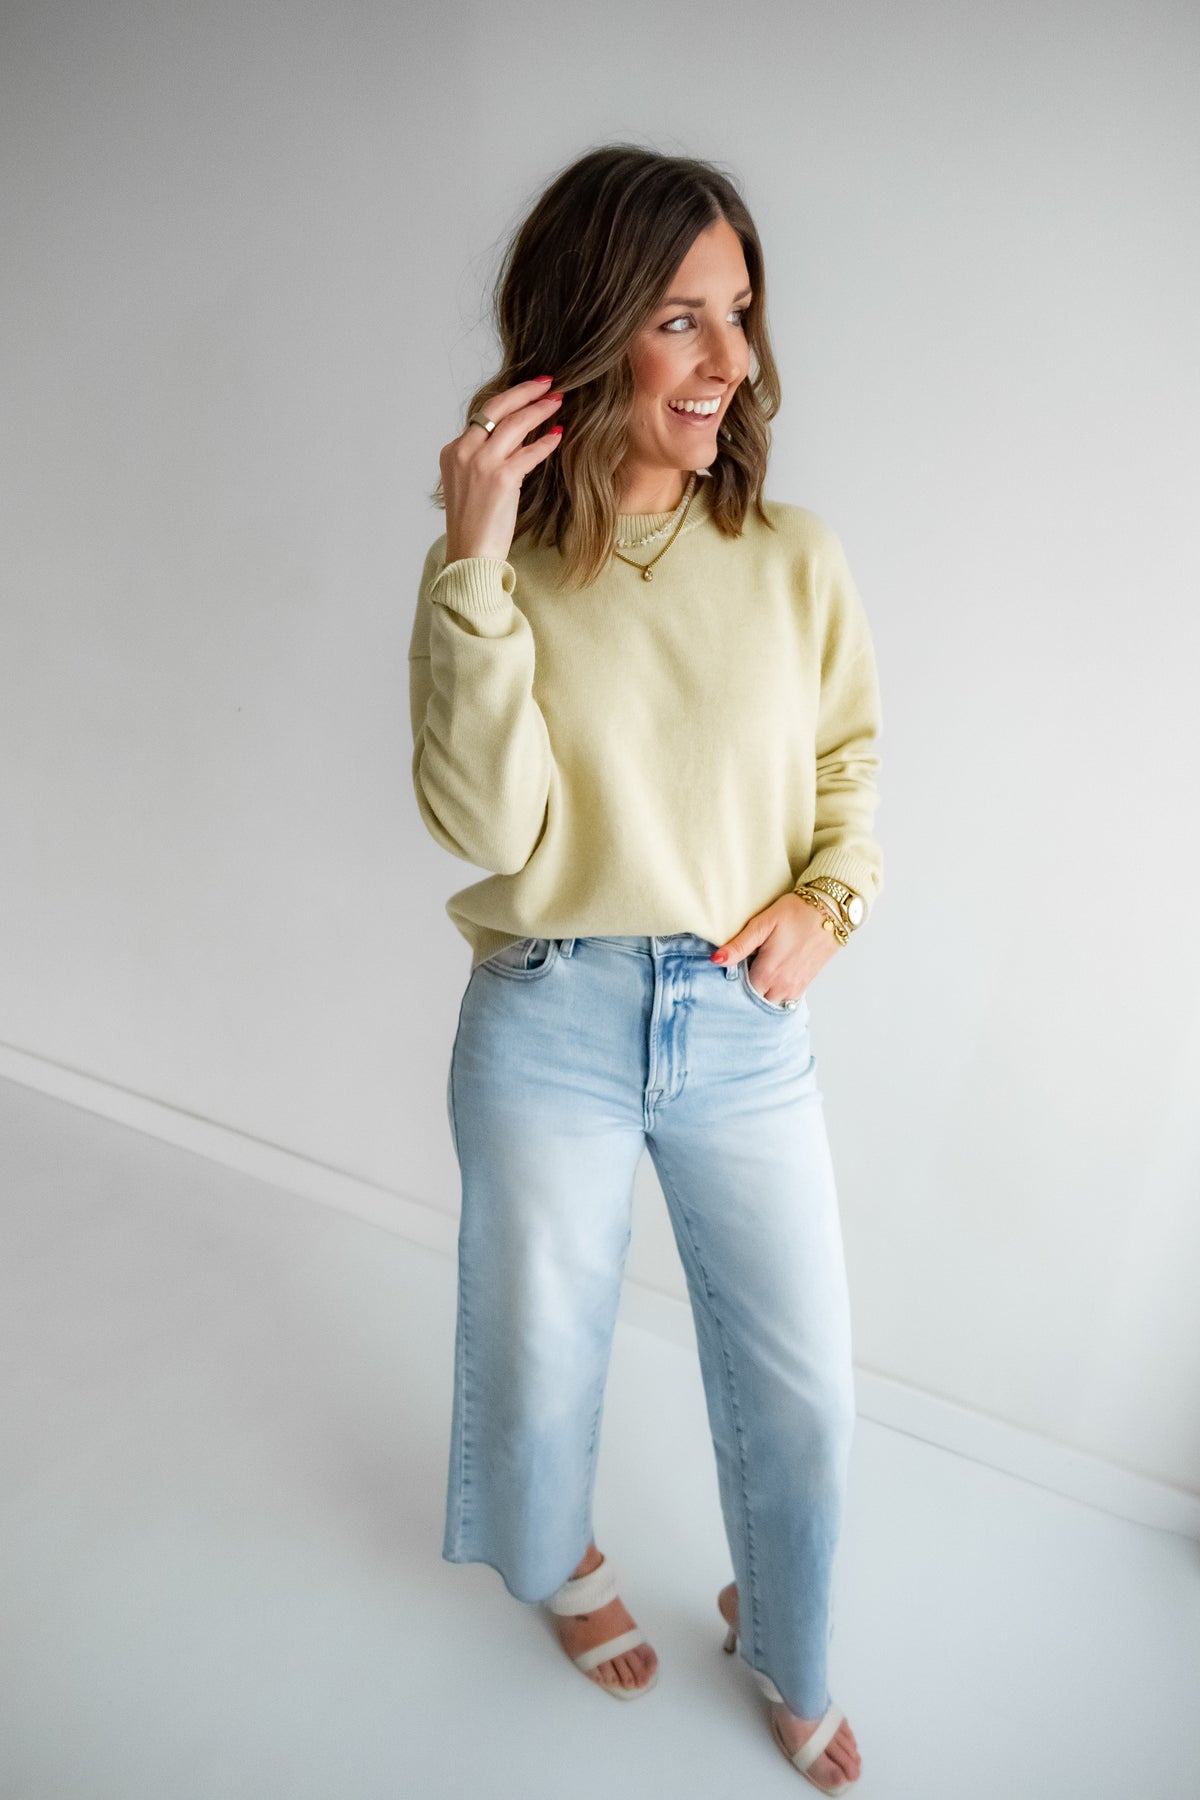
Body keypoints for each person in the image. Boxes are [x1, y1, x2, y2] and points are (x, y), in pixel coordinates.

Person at [407, 143, 881, 1795]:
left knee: (807, 1390)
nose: (730, 359)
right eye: (683, 317)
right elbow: (482, 823)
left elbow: (850, 766)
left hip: (742, 1023)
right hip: (550, 1013)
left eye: (740, 314)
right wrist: (472, 558)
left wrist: (832, 902)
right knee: (540, 1353)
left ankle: (790, 1638)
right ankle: (563, 1567)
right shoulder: (501, 577)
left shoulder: (794, 555)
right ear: (591, 325)